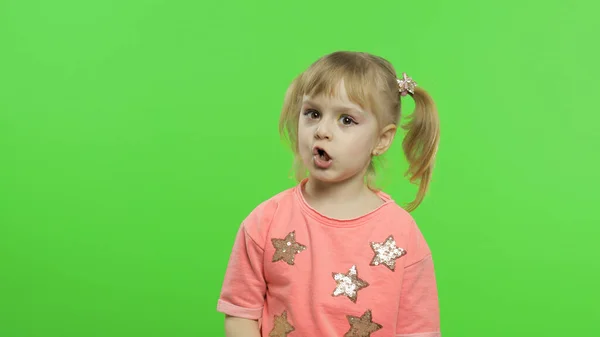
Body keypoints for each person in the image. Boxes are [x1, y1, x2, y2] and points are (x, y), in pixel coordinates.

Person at [216, 51, 441, 337]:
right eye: (312, 113)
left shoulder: (402, 234)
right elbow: (240, 314)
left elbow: (419, 331)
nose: (322, 131)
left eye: (346, 120)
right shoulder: (265, 222)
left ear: (382, 140)